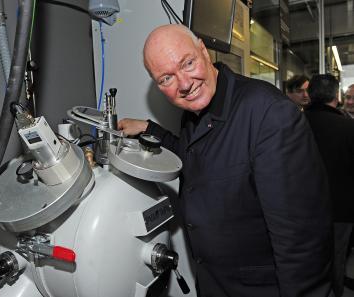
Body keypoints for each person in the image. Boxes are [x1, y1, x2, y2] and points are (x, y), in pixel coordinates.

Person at [118, 24, 332, 297]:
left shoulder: (269, 114)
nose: (184, 84)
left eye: (188, 63)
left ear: (204, 52)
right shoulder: (197, 109)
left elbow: (303, 242)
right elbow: (194, 156)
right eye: (166, 79)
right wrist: (150, 128)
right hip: (215, 285)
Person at [305, 74, 354, 297]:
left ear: (309, 94)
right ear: (336, 95)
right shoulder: (347, 127)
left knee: (306, 259)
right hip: (341, 209)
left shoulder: (295, 122)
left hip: (300, 208)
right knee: (337, 258)